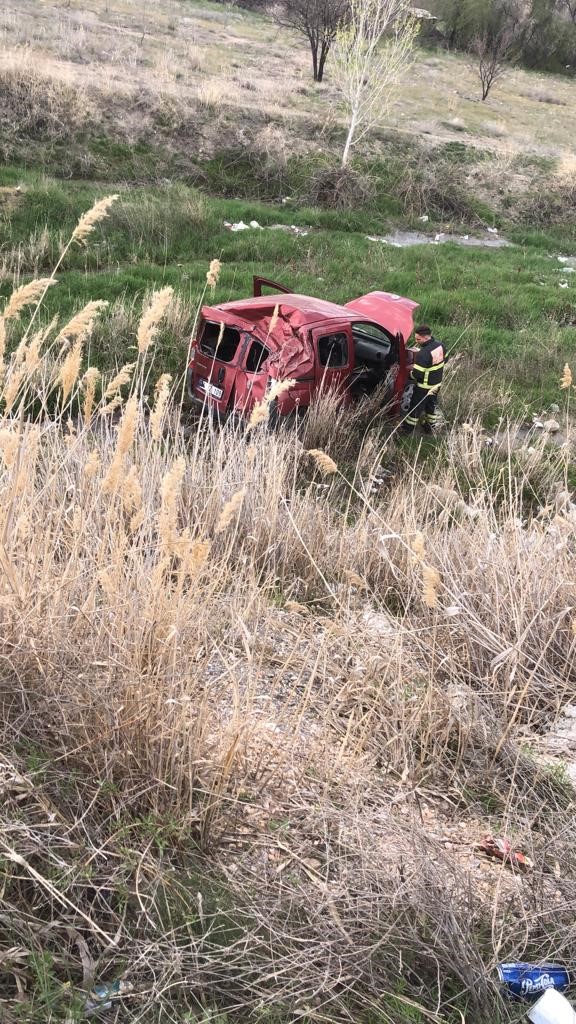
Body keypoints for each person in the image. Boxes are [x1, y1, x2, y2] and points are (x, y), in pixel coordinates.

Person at [402, 325, 445, 435]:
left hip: (424, 387)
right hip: (436, 384)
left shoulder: (423, 353)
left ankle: (406, 430)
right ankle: (429, 427)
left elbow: (417, 374)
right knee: (431, 406)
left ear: (426, 337)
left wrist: (409, 375)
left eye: (418, 339)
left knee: (415, 408)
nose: (416, 342)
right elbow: (446, 359)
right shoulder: (440, 345)